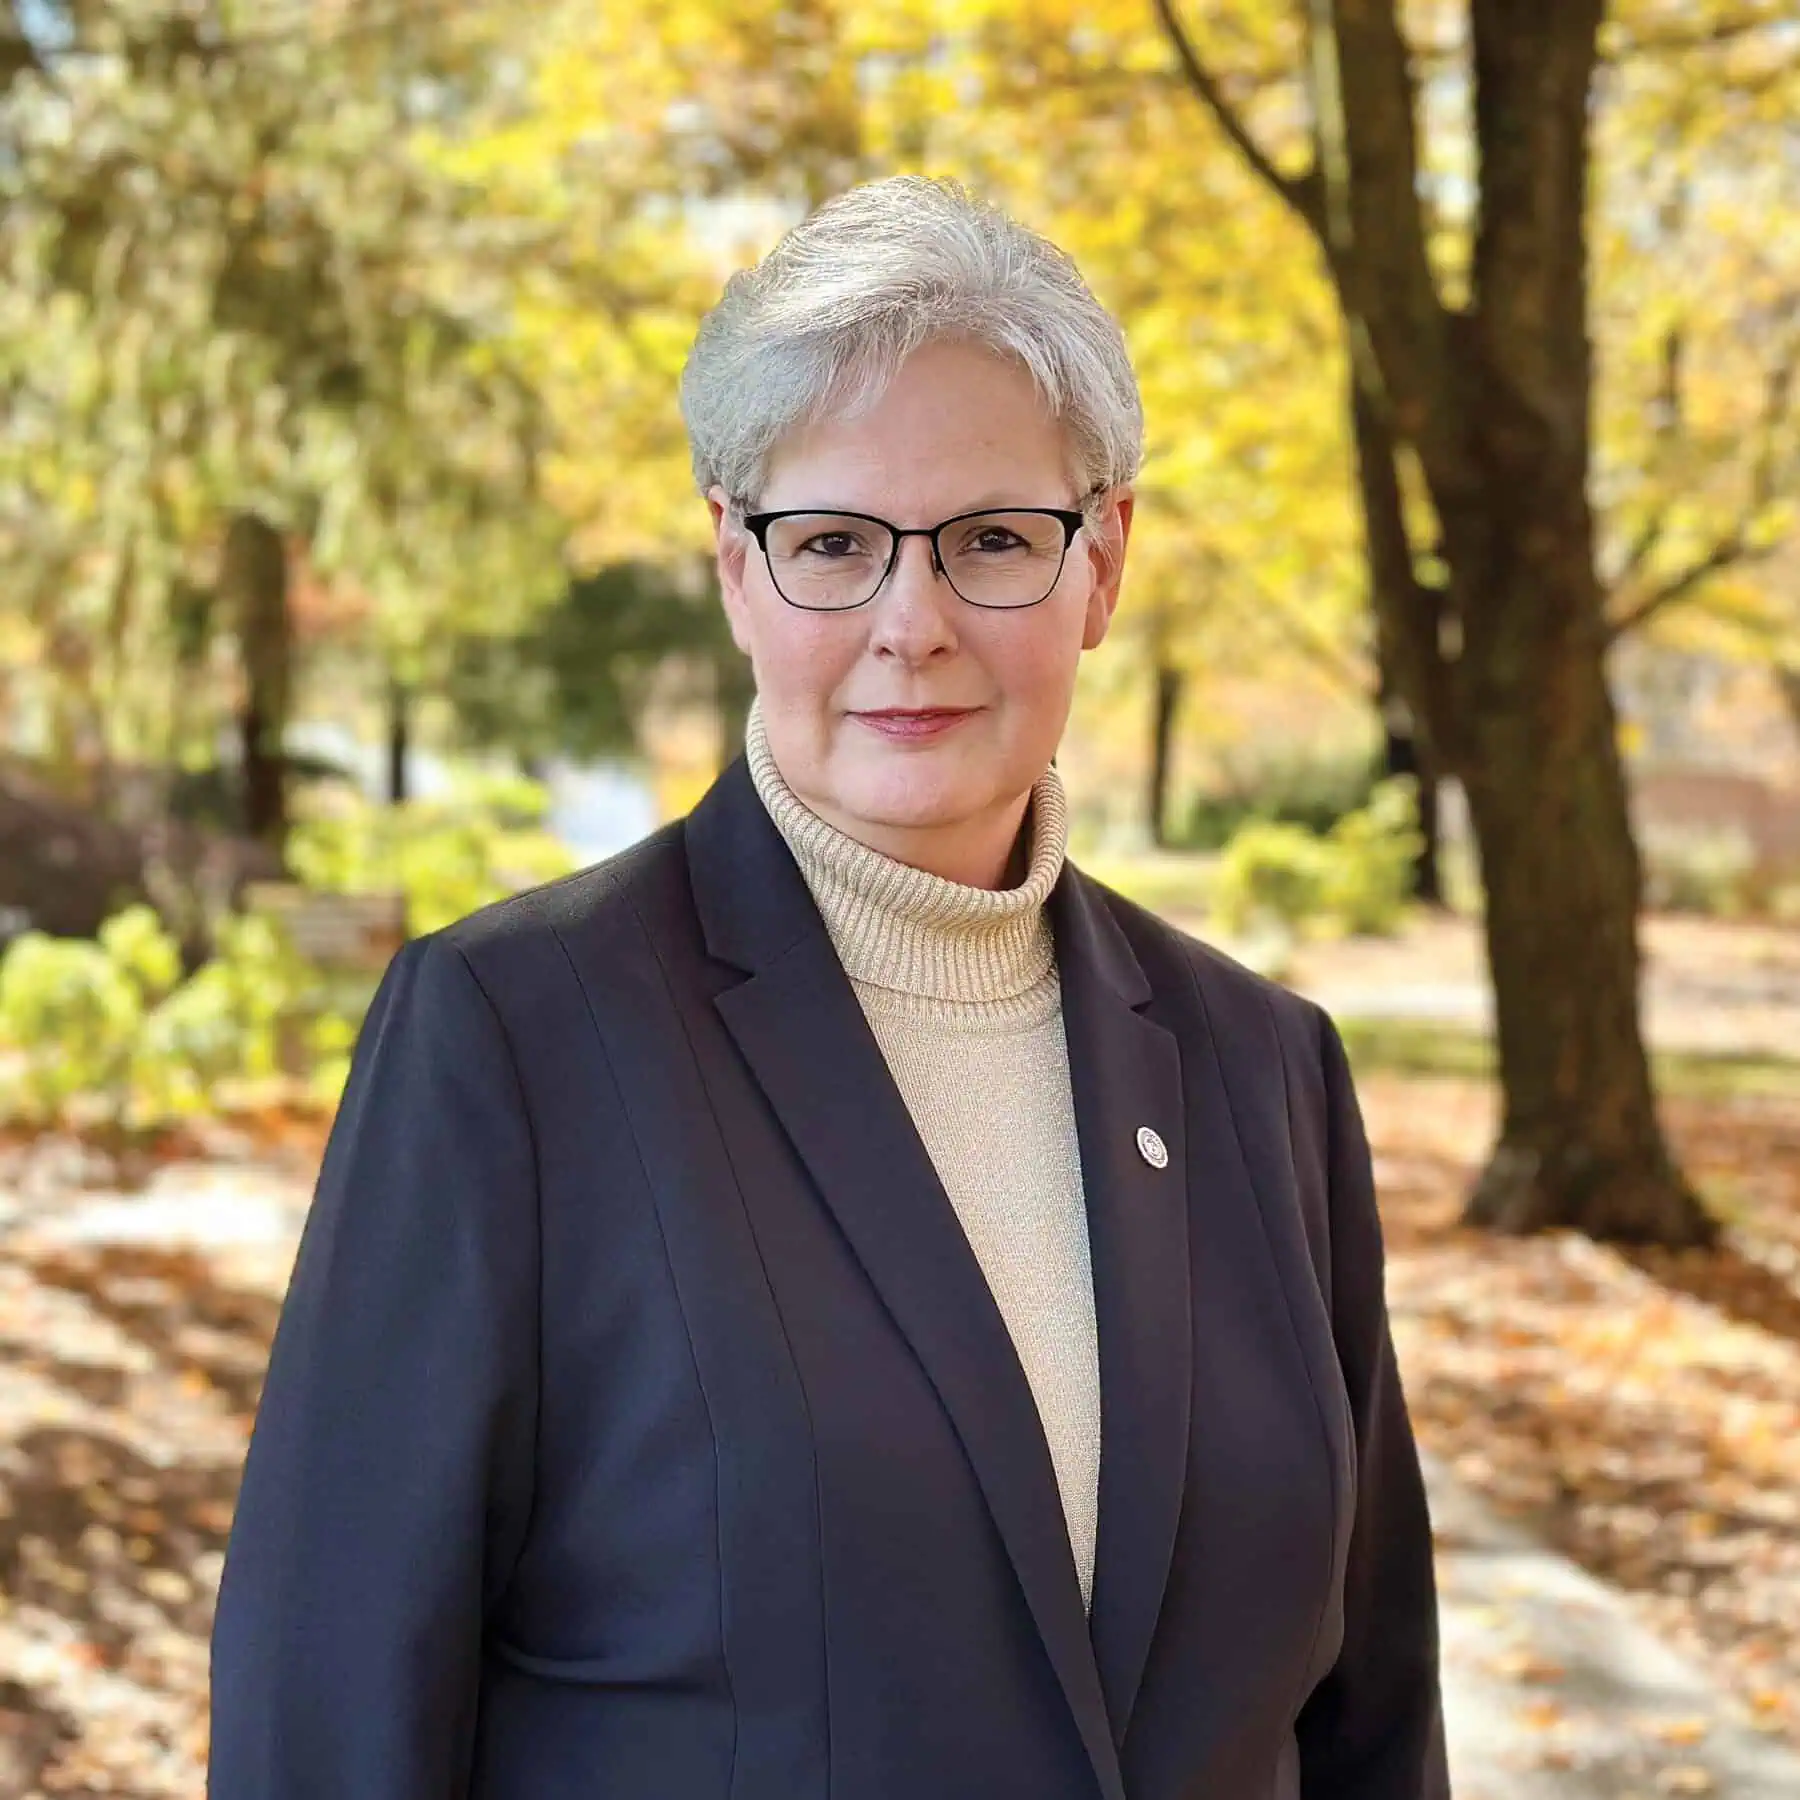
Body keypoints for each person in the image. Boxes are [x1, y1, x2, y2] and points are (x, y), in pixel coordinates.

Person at [208, 173, 1450, 1800]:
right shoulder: (511, 1040)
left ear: (1107, 560)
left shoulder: (1263, 1068)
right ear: (736, 566)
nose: (910, 623)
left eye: (996, 541)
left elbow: (1372, 1726)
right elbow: (332, 1722)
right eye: (835, 545)